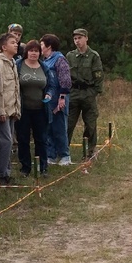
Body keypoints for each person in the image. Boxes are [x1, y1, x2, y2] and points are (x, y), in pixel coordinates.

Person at [15, 40, 51, 180]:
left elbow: (51, 85)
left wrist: (49, 94)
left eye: (36, 51)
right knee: (23, 139)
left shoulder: (44, 67)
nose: (34, 53)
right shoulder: (18, 65)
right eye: (31, 50)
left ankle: (42, 167)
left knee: (41, 139)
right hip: (23, 109)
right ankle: (25, 167)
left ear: (39, 53)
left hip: (41, 109)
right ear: (26, 52)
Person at [66, 29, 103, 160]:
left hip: (88, 93)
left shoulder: (93, 56)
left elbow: (98, 75)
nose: (77, 41)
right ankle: (65, 152)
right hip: (74, 93)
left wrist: (94, 92)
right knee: (68, 123)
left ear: (86, 38)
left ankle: (89, 152)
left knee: (90, 124)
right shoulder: (70, 56)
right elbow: (65, 75)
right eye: (75, 38)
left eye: (80, 38)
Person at [0, 33, 21, 184]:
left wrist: (17, 109)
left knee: (9, 142)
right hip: (2, 111)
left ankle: (6, 172)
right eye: (12, 42)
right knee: (6, 141)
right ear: (4, 47)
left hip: (11, 109)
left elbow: (15, 88)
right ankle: (0, 173)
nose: (16, 44)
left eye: (16, 42)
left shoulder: (12, 62)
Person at [40, 34, 72, 166]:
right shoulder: (45, 60)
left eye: (42, 45)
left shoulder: (59, 59)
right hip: (48, 99)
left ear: (49, 46)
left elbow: (65, 79)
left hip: (59, 98)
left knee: (59, 128)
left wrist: (62, 97)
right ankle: (51, 155)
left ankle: (65, 155)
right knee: (49, 128)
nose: (40, 47)